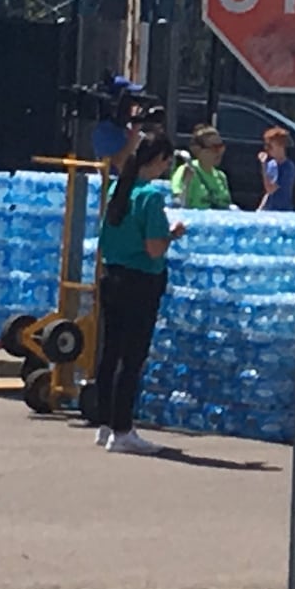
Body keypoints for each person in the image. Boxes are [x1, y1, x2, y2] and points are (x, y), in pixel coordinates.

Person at [93, 131, 186, 455]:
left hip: (113, 275)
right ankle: (123, 430)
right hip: (140, 281)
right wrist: (172, 235)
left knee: (110, 352)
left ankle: (105, 423)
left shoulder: (121, 191)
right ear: (159, 161)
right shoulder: (150, 197)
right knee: (132, 358)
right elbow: (154, 247)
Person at [171, 124, 233, 210]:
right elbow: (178, 204)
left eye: (221, 147)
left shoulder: (221, 177)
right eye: (215, 148)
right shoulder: (186, 170)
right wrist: (186, 183)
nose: (220, 152)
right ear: (197, 150)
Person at [258, 127, 295, 211]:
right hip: (270, 209)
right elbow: (268, 193)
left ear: (280, 146)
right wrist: (260, 208)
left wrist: (263, 165)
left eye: (270, 146)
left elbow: (270, 188)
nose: (267, 149)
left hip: (283, 210)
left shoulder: (288, 167)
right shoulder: (271, 165)